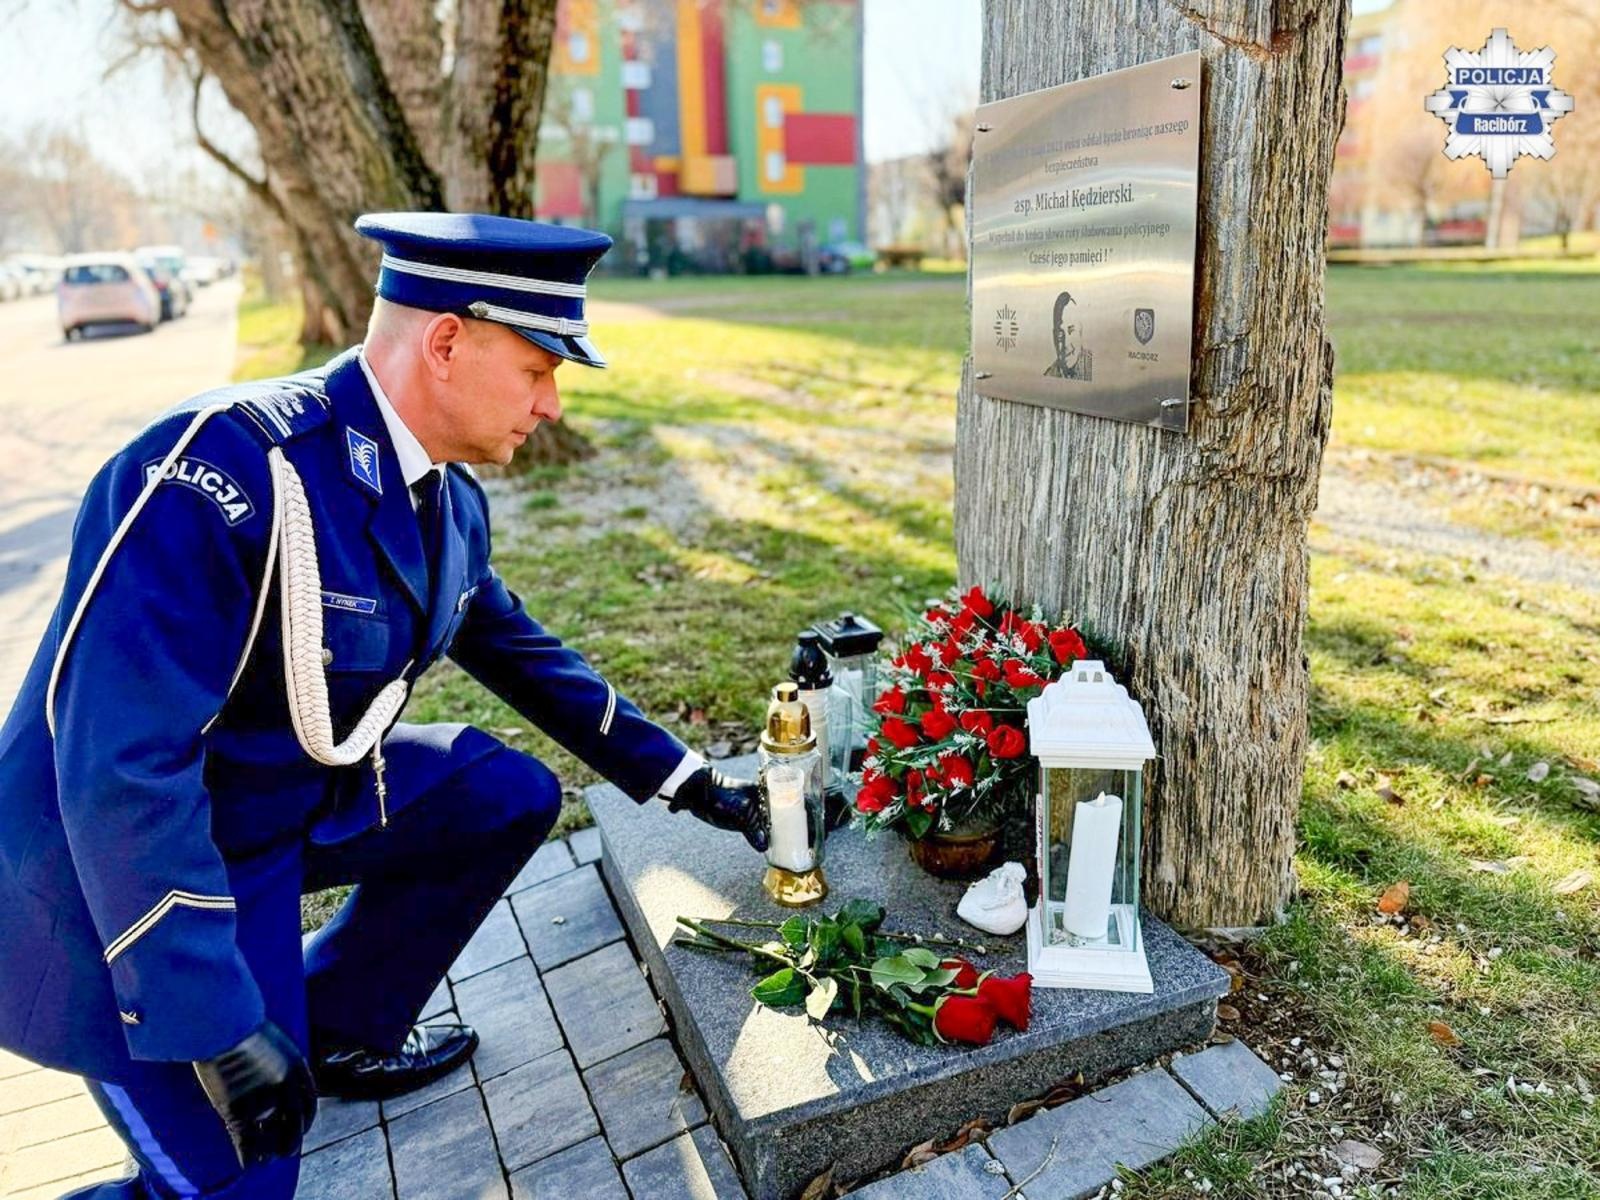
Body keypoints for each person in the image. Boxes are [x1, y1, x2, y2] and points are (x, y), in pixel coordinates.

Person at [0, 212, 768, 1199]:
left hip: (270, 819)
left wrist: (689, 780)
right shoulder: (225, 471)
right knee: (241, 1188)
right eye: (538, 372)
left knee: (503, 794)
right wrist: (223, 1031)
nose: (548, 406)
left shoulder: (446, 501)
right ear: (446, 342)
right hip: (122, 872)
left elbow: (524, 654)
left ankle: (338, 1034)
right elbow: (118, 768)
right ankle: (256, 1050)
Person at [1042, 290, 1092, 381]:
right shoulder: (1050, 375)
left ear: (1081, 331)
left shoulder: (1091, 367)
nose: (1066, 342)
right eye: (1060, 333)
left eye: (1071, 330)